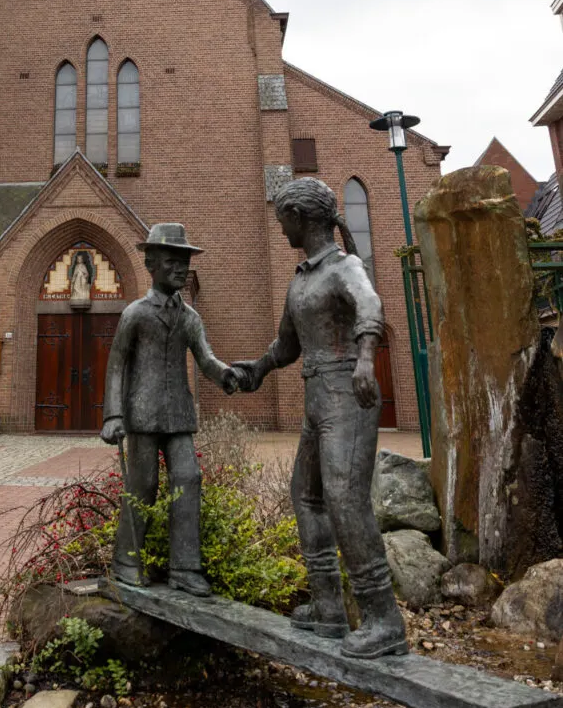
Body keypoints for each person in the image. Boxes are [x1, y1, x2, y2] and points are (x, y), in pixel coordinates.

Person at [233, 177, 408, 659]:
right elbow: (286, 345)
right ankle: (329, 607)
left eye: (283, 219)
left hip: (347, 397)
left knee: (345, 499)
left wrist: (367, 359)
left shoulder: (344, 266)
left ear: (302, 218)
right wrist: (256, 370)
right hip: (316, 400)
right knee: (306, 496)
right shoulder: (302, 278)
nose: (279, 227)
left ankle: (384, 620)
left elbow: (370, 304)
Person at [101, 223, 240, 595]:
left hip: (179, 413)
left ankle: (185, 567)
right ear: (151, 264)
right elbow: (116, 364)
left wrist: (226, 374)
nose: (181, 268)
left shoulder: (190, 318)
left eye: (184, 262)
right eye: (172, 261)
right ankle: (126, 562)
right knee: (142, 486)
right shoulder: (136, 314)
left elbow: (206, 359)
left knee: (188, 478)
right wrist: (113, 415)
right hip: (142, 415)